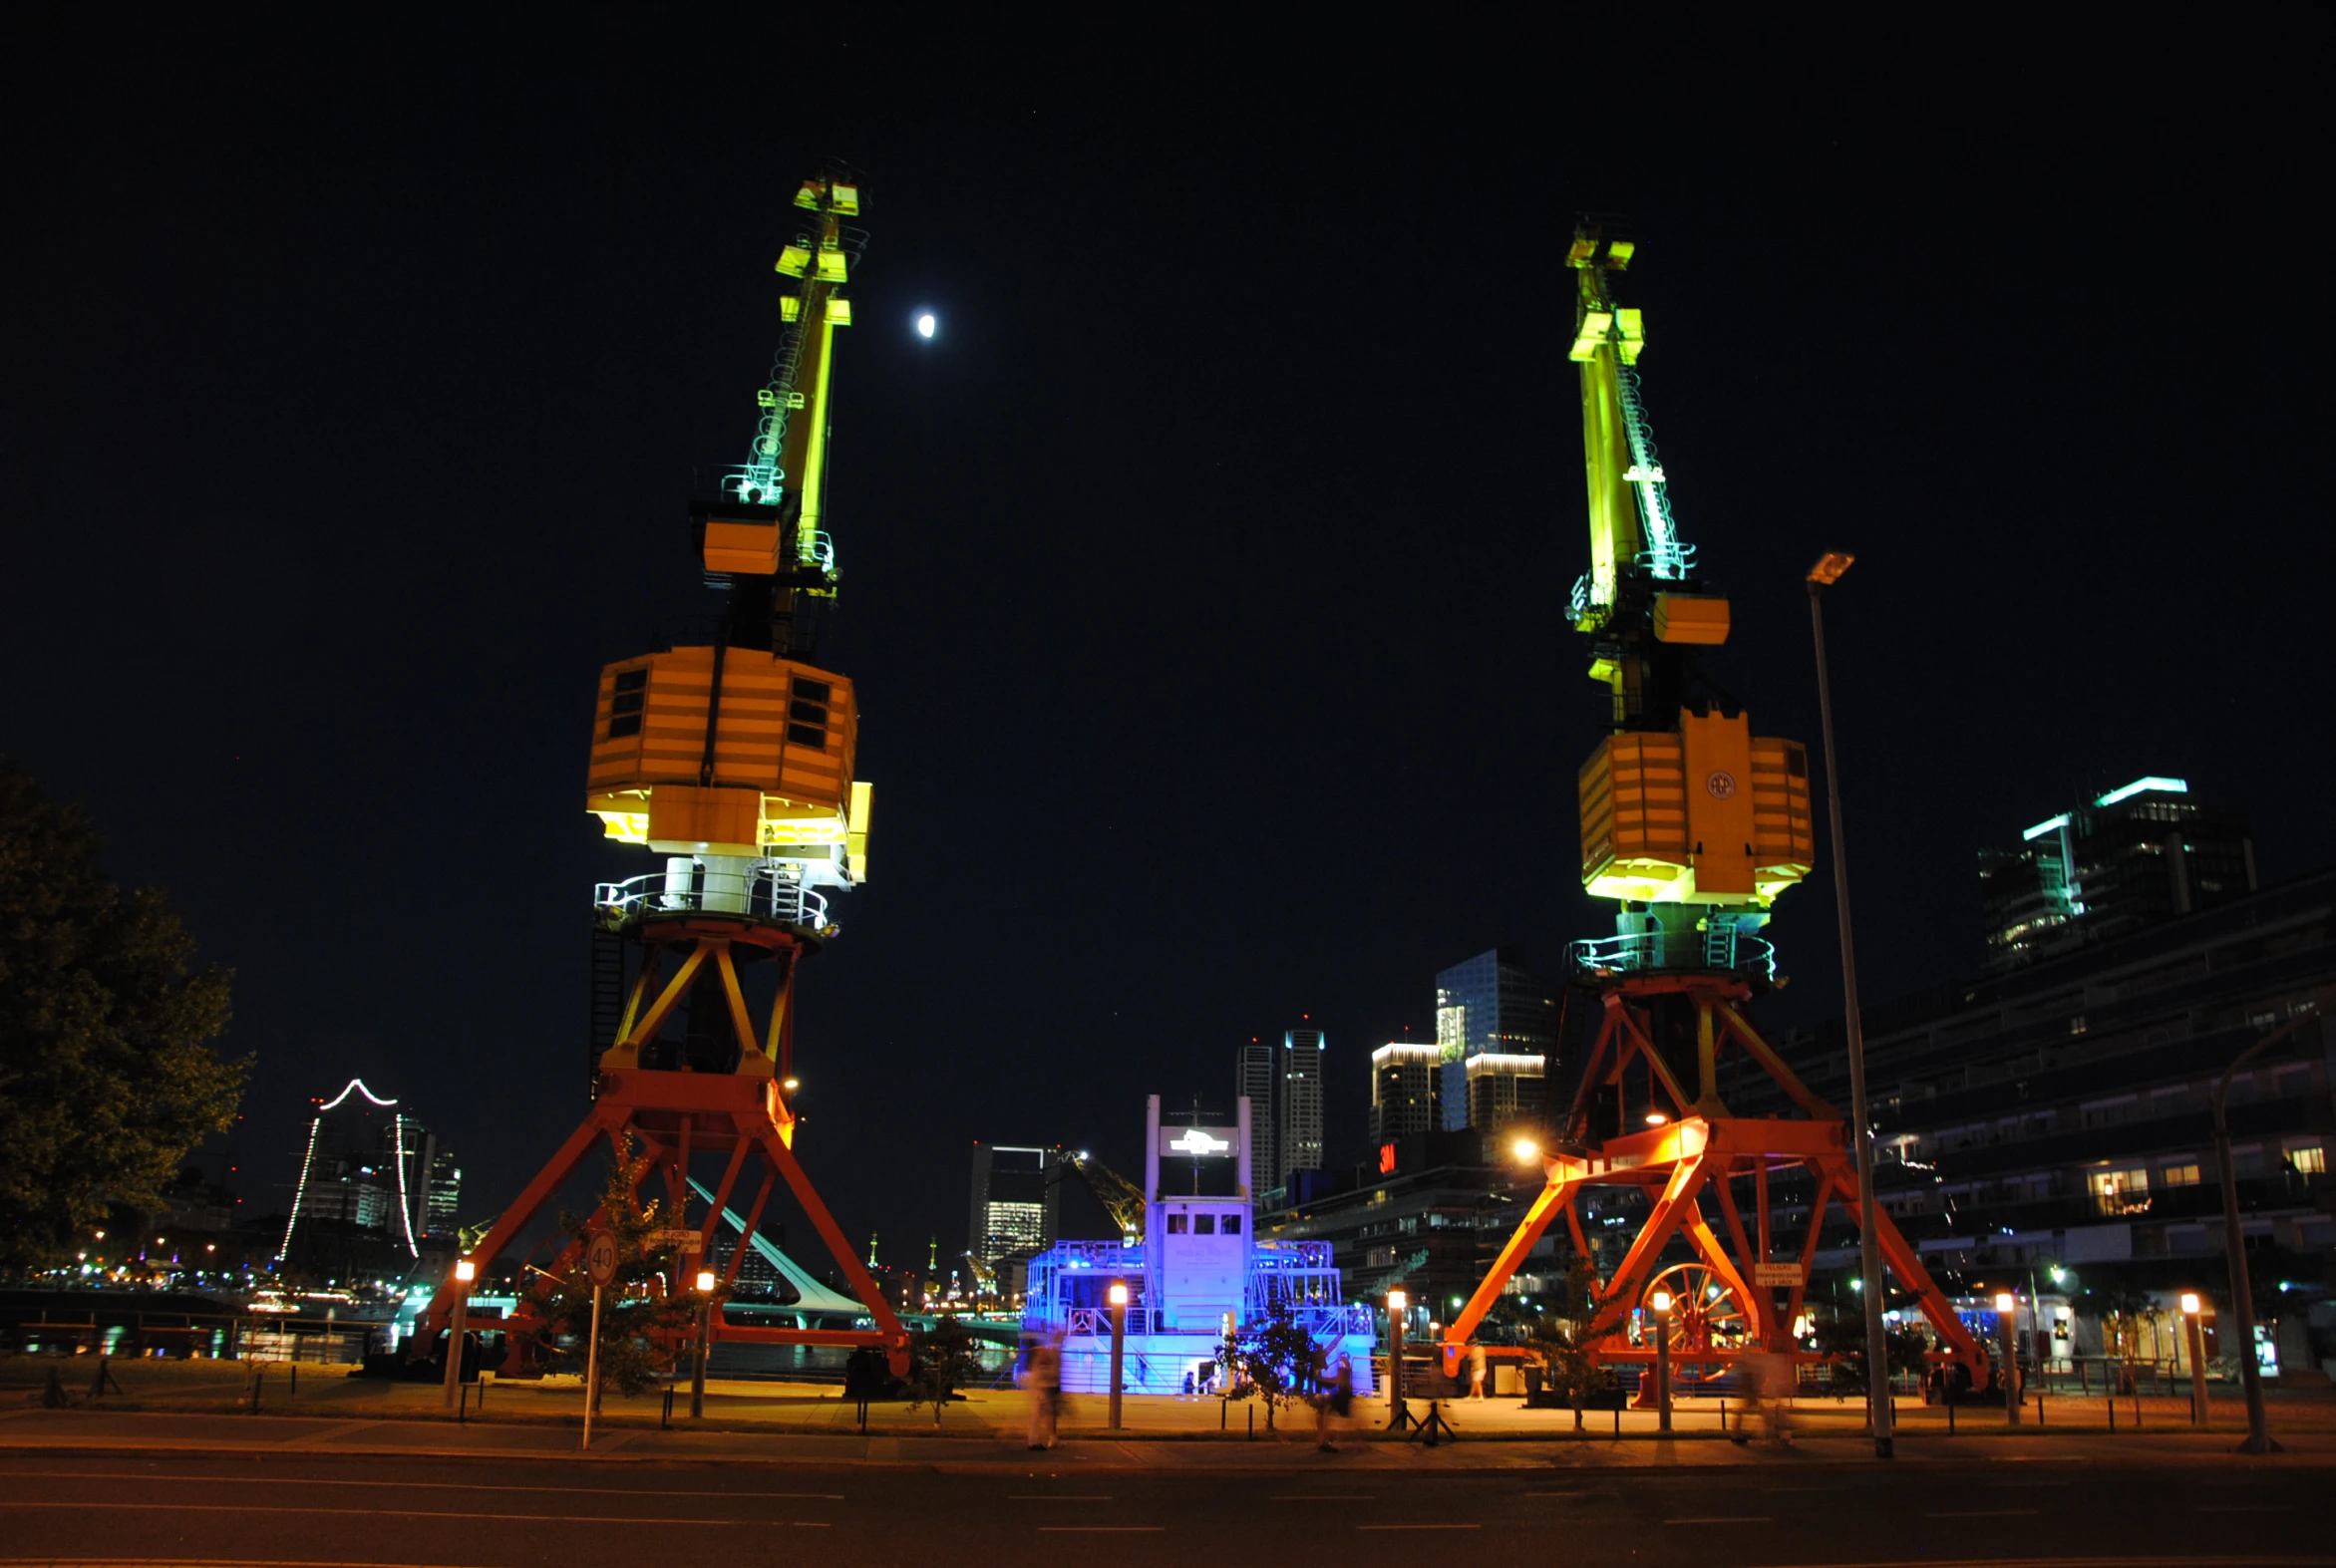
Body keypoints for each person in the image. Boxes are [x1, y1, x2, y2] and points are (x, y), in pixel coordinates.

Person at [1026, 1337, 1060, 1450]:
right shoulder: (1038, 1360)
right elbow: (1045, 1374)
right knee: (1037, 1416)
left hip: (1038, 1390)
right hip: (1039, 1391)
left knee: (1036, 1416)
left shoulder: (1034, 1360)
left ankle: (1034, 1441)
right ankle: (1033, 1442)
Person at [1316, 1351, 1354, 1451]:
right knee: (1324, 1414)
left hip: (1343, 1394)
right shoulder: (1345, 1368)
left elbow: (1339, 1380)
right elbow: (1339, 1380)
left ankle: (1323, 1441)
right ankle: (1323, 1441)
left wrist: (1322, 1379)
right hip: (1342, 1394)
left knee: (1325, 1414)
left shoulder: (1344, 1368)